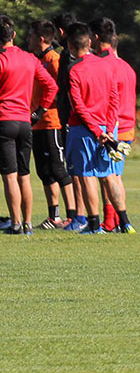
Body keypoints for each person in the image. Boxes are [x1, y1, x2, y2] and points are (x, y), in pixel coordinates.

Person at [0, 15, 56, 235]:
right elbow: (51, 86)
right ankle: (28, 224)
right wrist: (39, 112)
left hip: (3, 121)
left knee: (10, 176)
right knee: (25, 174)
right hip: (24, 122)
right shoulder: (30, 58)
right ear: (13, 35)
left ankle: (15, 223)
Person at [63, 22, 131, 234]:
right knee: (110, 174)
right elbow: (114, 100)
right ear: (90, 41)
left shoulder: (73, 69)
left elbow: (78, 106)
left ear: (70, 46)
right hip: (108, 127)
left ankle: (93, 224)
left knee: (87, 175)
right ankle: (125, 222)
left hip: (84, 129)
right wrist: (110, 130)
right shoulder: (108, 66)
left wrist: (97, 131)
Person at [27, 20, 76, 228]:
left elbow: (60, 90)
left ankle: (74, 216)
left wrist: (44, 108)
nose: (27, 40)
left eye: (30, 36)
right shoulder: (36, 60)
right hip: (36, 123)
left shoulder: (54, 59)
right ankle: (53, 216)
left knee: (58, 168)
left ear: (40, 39)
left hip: (52, 122)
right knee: (44, 171)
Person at [90, 18, 135, 232]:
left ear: (96, 37)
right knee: (113, 175)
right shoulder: (126, 67)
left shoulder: (102, 66)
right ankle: (116, 222)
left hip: (113, 128)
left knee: (108, 176)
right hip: (128, 127)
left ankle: (113, 221)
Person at [52, 12, 87, 231]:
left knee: (77, 170)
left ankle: (79, 216)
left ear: (62, 32)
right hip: (89, 117)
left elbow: (66, 89)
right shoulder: (88, 55)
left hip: (73, 118)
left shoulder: (67, 56)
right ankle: (84, 216)